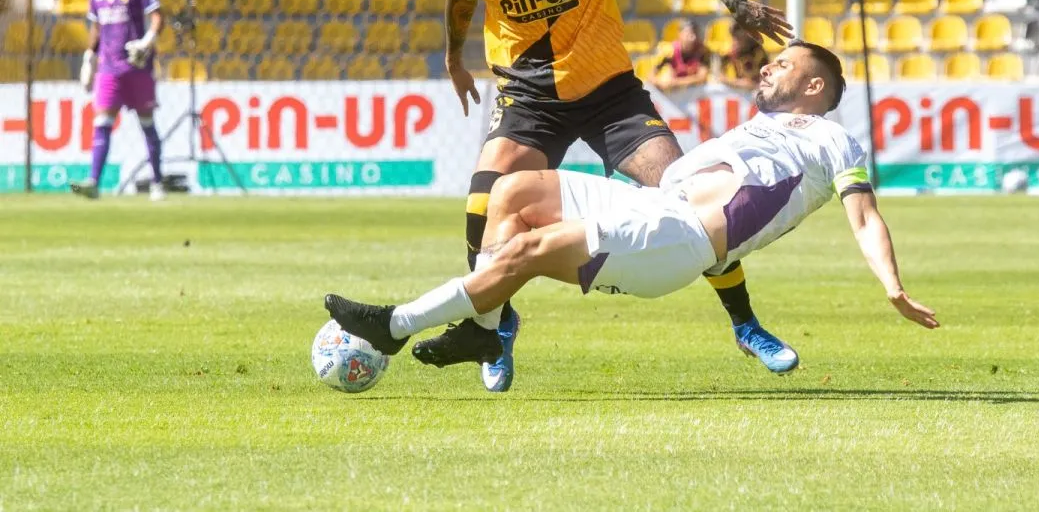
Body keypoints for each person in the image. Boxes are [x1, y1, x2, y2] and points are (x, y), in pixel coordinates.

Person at [325, 40, 940, 377]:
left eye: (783, 65)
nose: (767, 67)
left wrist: (892, 285)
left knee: (525, 252)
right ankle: (485, 334)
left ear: (813, 86)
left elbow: (864, 216)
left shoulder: (835, 141)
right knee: (514, 191)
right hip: (653, 204)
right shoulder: (758, 124)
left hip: (677, 241)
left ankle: (395, 326)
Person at [436, 0, 796, 392]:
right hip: (529, 100)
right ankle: (494, 324)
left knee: (693, 202)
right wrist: (455, 61)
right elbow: (460, 2)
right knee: (483, 202)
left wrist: (736, 3)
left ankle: (746, 324)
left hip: (611, 96)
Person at [70, 0, 166, 202]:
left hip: (137, 66)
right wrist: (89, 58)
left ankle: (158, 183)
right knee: (102, 122)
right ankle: (93, 183)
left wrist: (147, 40)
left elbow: (157, 16)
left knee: (147, 122)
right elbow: (96, 26)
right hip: (108, 68)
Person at [650, 19, 710, 92]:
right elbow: (651, 75)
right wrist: (660, 82)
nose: (693, 38)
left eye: (695, 34)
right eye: (689, 34)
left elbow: (701, 78)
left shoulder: (702, 51)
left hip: (693, 91)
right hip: (672, 93)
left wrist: (676, 82)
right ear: (680, 34)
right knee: (666, 73)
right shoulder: (669, 51)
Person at [720, 24, 770, 91]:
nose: (735, 41)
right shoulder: (731, 53)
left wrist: (731, 82)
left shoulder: (758, 52)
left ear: (747, 36)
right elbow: (720, 76)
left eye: (738, 38)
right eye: (734, 37)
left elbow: (752, 83)